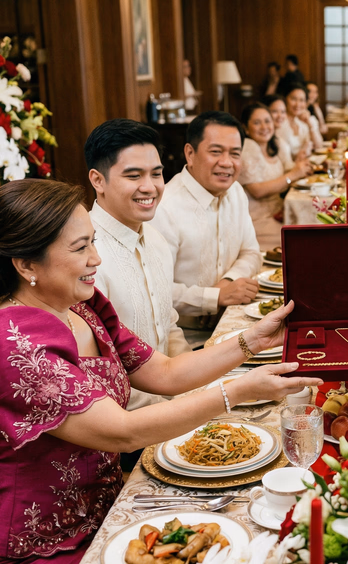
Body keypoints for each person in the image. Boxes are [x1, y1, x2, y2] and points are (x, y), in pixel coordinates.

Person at [0, 178, 323, 564]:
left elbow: (165, 372)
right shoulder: (16, 343)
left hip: (110, 510)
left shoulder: (80, 309)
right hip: (50, 543)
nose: (95, 259)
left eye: (93, 242)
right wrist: (236, 392)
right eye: (79, 247)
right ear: (25, 264)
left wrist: (250, 341)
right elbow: (123, 431)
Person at [86, 118, 190, 414]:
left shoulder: (155, 239)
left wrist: (195, 386)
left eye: (156, 174)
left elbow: (168, 325)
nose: (150, 187)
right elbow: (99, 371)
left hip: (173, 402)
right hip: (126, 424)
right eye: (133, 176)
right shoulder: (88, 256)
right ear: (98, 180)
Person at [150, 111, 261, 333]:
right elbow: (154, 291)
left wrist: (226, 287)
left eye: (235, 154)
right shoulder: (164, 208)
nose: (227, 163)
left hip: (234, 321)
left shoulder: (236, 192)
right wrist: (214, 298)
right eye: (216, 152)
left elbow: (251, 253)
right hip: (184, 336)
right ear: (190, 154)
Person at [238, 103, 312, 249]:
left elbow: (291, 172)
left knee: (316, 224)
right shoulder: (248, 147)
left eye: (267, 121)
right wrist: (293, 174)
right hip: (258, 220)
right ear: (246, 128)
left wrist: (300, 165)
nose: (264, 127)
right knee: (304, 241)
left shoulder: (275, 144)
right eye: (257, 123)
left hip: (279, 213)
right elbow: (257, 190)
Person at [276, 84, 314, 161]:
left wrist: (310, 125)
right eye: (293, 99)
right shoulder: (279, 123)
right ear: (285, 99)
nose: (297, 104)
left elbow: (315, 146)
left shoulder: (300, 123)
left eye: (301, 100)